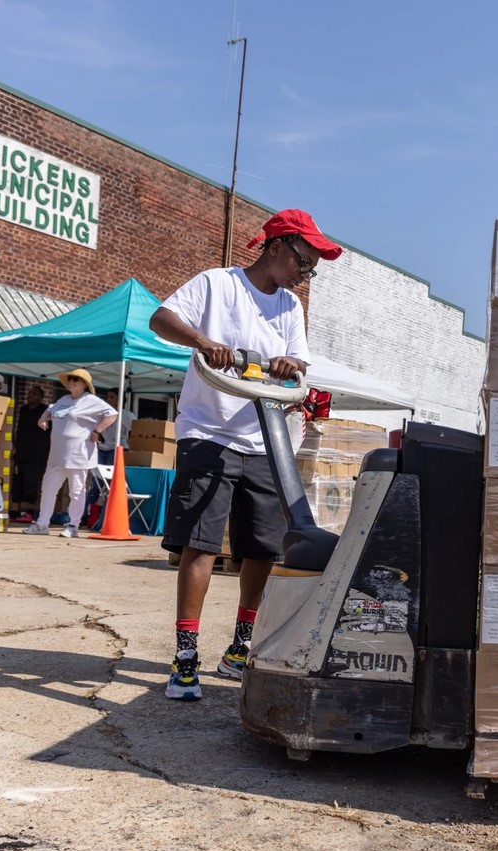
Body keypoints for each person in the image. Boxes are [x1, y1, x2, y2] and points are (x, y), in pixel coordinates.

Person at [148, 209, 341, 700]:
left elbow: (298, 362)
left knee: (262, 548)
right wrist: (205, 342)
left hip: (263, 437)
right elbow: (161, 318)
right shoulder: (218, 285)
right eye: (303, 262)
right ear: (276, 247)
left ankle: (239, 648)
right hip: (208, 431)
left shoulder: (290, 307)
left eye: (313, 269)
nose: (305, 274)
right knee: (201, 544)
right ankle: (185, 657)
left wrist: (289, 364)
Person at [24, 368, 118, 538]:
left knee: (76, 491)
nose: (71, 381)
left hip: (78, 454)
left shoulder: (91, 400)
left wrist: (97, 430)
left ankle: (73, 525)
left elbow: (112, 414)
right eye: (70, 378)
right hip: (57, 455)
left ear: (85, 384)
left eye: (76, 379)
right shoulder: (64, 399)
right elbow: (51, 409)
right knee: (48, 489)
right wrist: (43, 417)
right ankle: (42, 524)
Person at [11, 385, 51, 518]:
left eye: (34, 394)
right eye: (29, 393)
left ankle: (28, 512)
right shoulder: (23, 410)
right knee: (17, 482)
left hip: (37, 454)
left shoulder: (45, 411)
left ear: (41, 397)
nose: (30, 396)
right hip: (21, 452)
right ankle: (15, 511)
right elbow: (19, 429)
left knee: (31, 482)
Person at [97, 388, 135, 463]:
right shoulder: (102, 413)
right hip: (101, 448)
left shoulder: (127, 415)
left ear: (119, 399)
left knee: (112, 470)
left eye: (112, 397)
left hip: (118, 448)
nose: (108, 399)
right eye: (107, 397)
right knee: (98, 470)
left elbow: (135, 432)